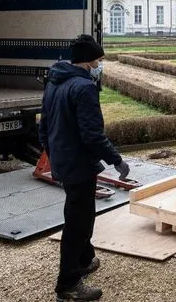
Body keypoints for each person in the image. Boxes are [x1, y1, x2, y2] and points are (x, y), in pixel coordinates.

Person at [38, 34, 129, 302]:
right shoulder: (84, 87)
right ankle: (67, 285)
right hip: (77, 163)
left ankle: (85, 259)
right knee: (78, 222)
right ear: (88, 61)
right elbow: (92, 135)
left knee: (80, 213)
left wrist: (54, 153)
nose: (100, 65)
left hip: (64, 160)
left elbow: (44, 127)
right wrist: (116, 160)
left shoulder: (55, 82)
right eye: (99, 60)